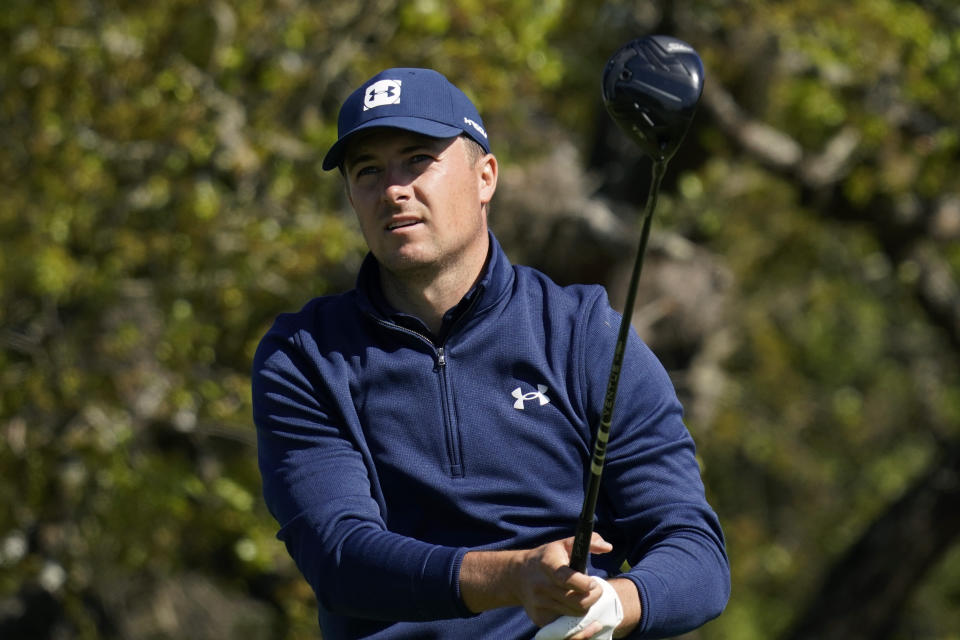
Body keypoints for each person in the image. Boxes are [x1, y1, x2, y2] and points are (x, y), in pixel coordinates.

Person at [253, 67, 730, 639]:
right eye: (368, 171)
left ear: (485, 177)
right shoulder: (306, 355)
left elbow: (696, 553)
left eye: (417, 159)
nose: (393, 189)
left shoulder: (585, 334)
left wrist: (615, 603)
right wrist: (512, 577)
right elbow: (340, 556)